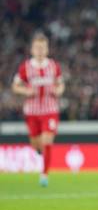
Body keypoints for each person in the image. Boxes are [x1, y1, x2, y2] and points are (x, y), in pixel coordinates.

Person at [12, 32, 64, 187]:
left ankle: (44, 174)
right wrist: (25, 91)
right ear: (32, 50)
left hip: (50, 110)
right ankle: (39, 151)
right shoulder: (25, 68)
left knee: (47, 140)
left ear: (47, 49)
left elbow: (60, 84)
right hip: (32, 112)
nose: (40, 50)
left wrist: (59, 90)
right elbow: (15, 86)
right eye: (37, 47)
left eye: (43, 47)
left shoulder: (54, 66)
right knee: (36, 143)